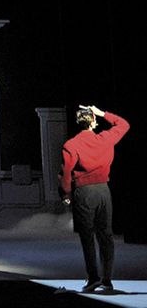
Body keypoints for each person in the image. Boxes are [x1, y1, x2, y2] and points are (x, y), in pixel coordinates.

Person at [59, 105, 130, 293]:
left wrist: (65, 194)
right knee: (106, 235)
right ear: (93, 122)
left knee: (87, 236)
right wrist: (101, 112)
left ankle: (93, 278)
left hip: (83, 192)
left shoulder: (71, 145)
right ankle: (107, 279)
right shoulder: (105, 138)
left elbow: (66, 173)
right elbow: (123, 124)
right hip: (103, 190)